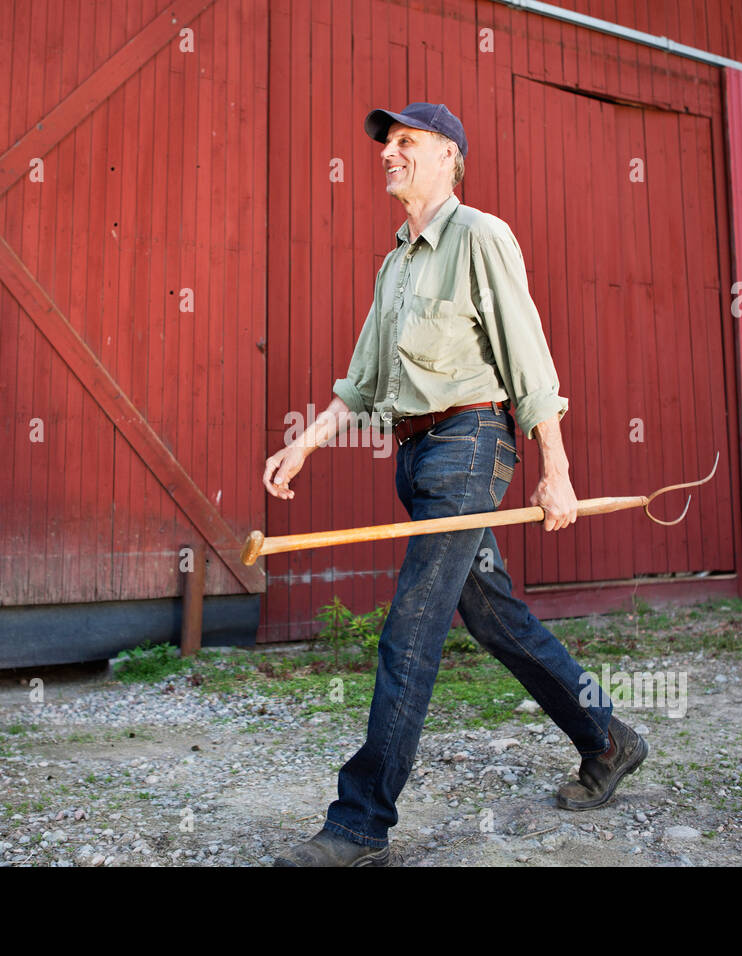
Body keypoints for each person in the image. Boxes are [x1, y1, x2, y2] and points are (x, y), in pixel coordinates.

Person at [263, 103, 647, 867]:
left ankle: (358, 821)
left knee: (411, 629)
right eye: (387, 144)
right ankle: (609, 738)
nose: (388, 154)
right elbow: (365, 381)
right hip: (414, 454)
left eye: (406, 143)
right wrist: (302, 445)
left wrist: (556, 471)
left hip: (469, 446)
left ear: (448, 156)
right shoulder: (397, 261)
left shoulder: (481, 236)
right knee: (494, 615)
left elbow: (528, 361)